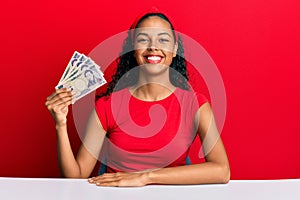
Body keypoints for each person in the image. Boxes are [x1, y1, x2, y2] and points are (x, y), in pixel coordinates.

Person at [45, 7, 230, 187]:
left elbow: (222, 171)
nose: (153, 47)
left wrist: (145, 177)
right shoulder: (106, 106)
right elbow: (75, 177)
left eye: (163, 40)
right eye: (143, 39)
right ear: (133, 49)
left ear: (174, 50)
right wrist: (60, 124)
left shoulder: (196, 105)